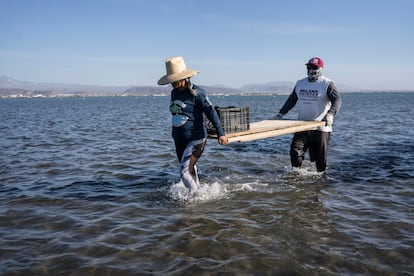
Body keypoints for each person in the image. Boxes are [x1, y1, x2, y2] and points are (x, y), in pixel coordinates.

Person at [158, 56, 228, 194]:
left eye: (176, 80)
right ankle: (198, 191)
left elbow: (211, 112)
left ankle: (196, 200)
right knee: (189, 169)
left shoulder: (197, 93)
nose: (174, 84)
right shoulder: (174, 93)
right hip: (179, 139)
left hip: (195, 138)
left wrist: (221, 133)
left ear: (185, 77)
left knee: (184, 172)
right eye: (172, 81)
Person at [274, 57, 341, 172]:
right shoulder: (300, 83)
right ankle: (297, 175)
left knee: (320, 160)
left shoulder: (327, 84)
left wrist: (331, 114)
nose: (311, 69)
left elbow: (337, 100)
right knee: (295, 151)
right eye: (309, 67)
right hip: (302, 125)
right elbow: (291, 100)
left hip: (321, 127)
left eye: (314, 67)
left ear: (320, 69)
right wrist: (280, 114)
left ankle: (321, 183)